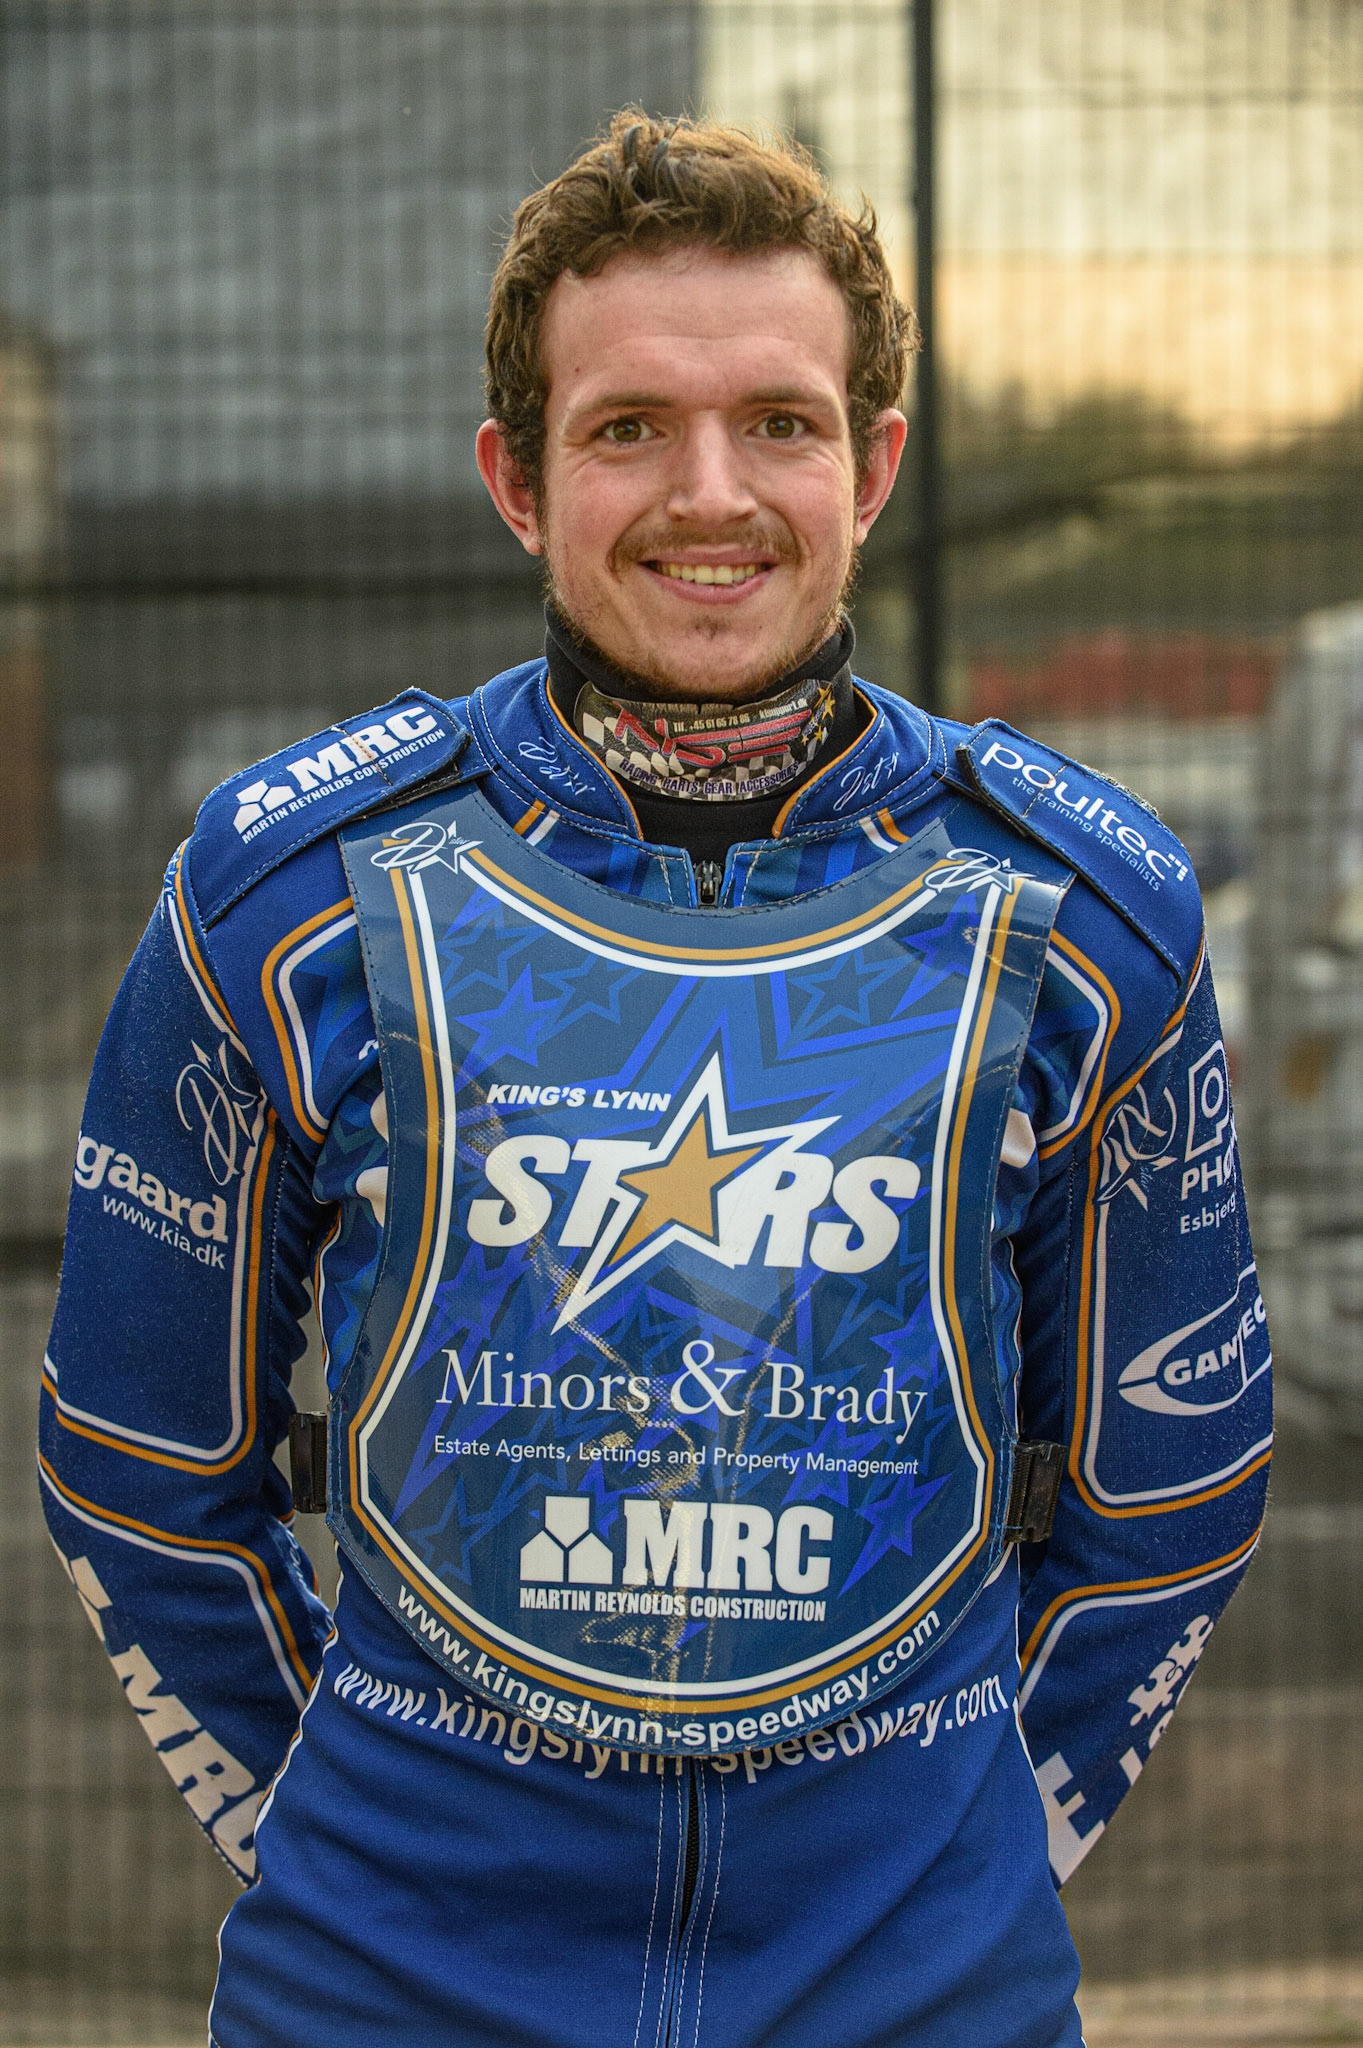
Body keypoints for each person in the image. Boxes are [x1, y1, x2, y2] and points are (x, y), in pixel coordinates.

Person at [40, 112, 1271, 2048]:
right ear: (516, 481)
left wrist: (972, 1862)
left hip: (921, 1996)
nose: (711, 493)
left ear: (869, 464)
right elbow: (137, 1473)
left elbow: (1174, 1486)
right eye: (626, 429)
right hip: (379, 1991)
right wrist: (326, 1836)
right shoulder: (286, 890)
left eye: (777, 421)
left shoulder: (1081, 902)